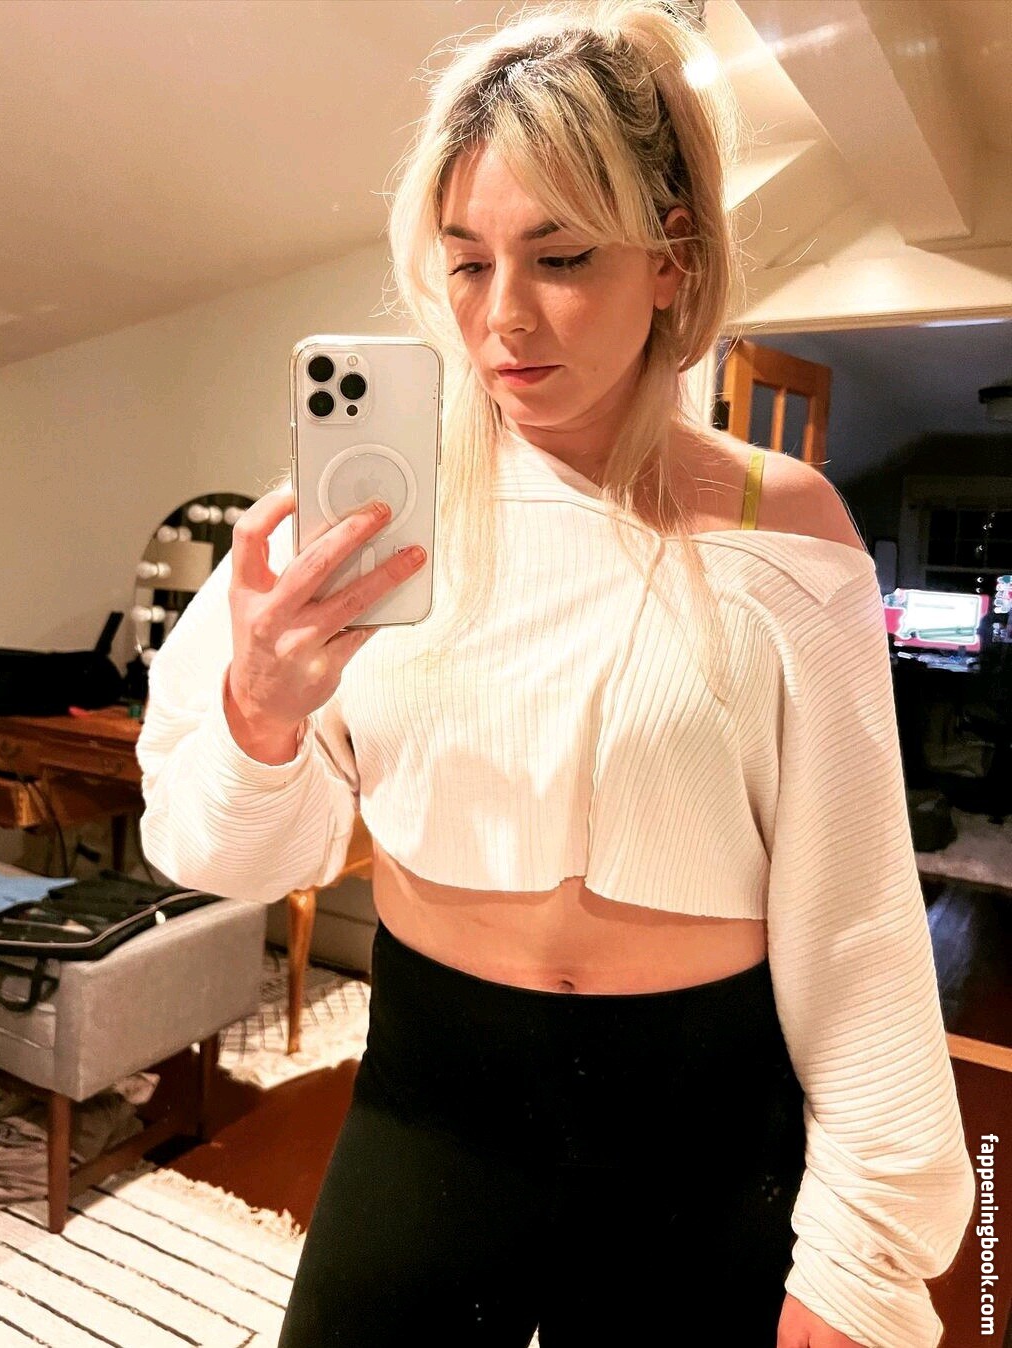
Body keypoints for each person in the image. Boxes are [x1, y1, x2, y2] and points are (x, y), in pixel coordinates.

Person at [137, 1, 976, 1344]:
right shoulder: (367, 520)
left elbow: (858, 914)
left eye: (562, 256)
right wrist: (261, 714)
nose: (502, 319)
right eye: (467, 262)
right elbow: (224, 857)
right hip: (432, 1101)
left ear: (671, 258)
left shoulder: (782, 526)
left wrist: (865, 1256)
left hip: (704, 1135)